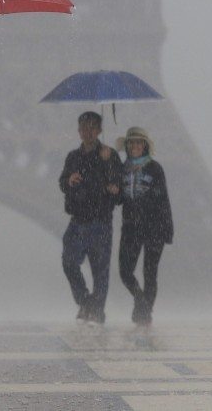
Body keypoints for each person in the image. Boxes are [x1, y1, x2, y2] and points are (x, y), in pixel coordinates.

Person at [58, 111, 121, 325]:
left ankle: (97, 311)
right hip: (78, 220)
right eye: (84, 127)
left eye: (92, 127)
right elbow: (62, 183)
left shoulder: (109, 155)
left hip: (100, 220)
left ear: (100, 130)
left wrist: (112, 181)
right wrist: (69, 180)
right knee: (69, 262)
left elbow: (118, 188)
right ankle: (86, 301)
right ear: (78, 131)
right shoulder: (73, 158)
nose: (88, 131)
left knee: (100, 270)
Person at [116, 126, 173, 326]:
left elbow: (163, 199)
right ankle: (141, 301)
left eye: (139, 142)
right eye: (131, 142)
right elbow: (117, 200)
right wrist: (113, 189)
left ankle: (145, 314)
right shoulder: (122, 169)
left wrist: (167, 230)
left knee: (150, 272)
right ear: (127, 146)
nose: (135, 146)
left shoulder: (155, 168)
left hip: (154, 227)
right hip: (131, 227)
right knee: (124, 271)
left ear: (145, 145)